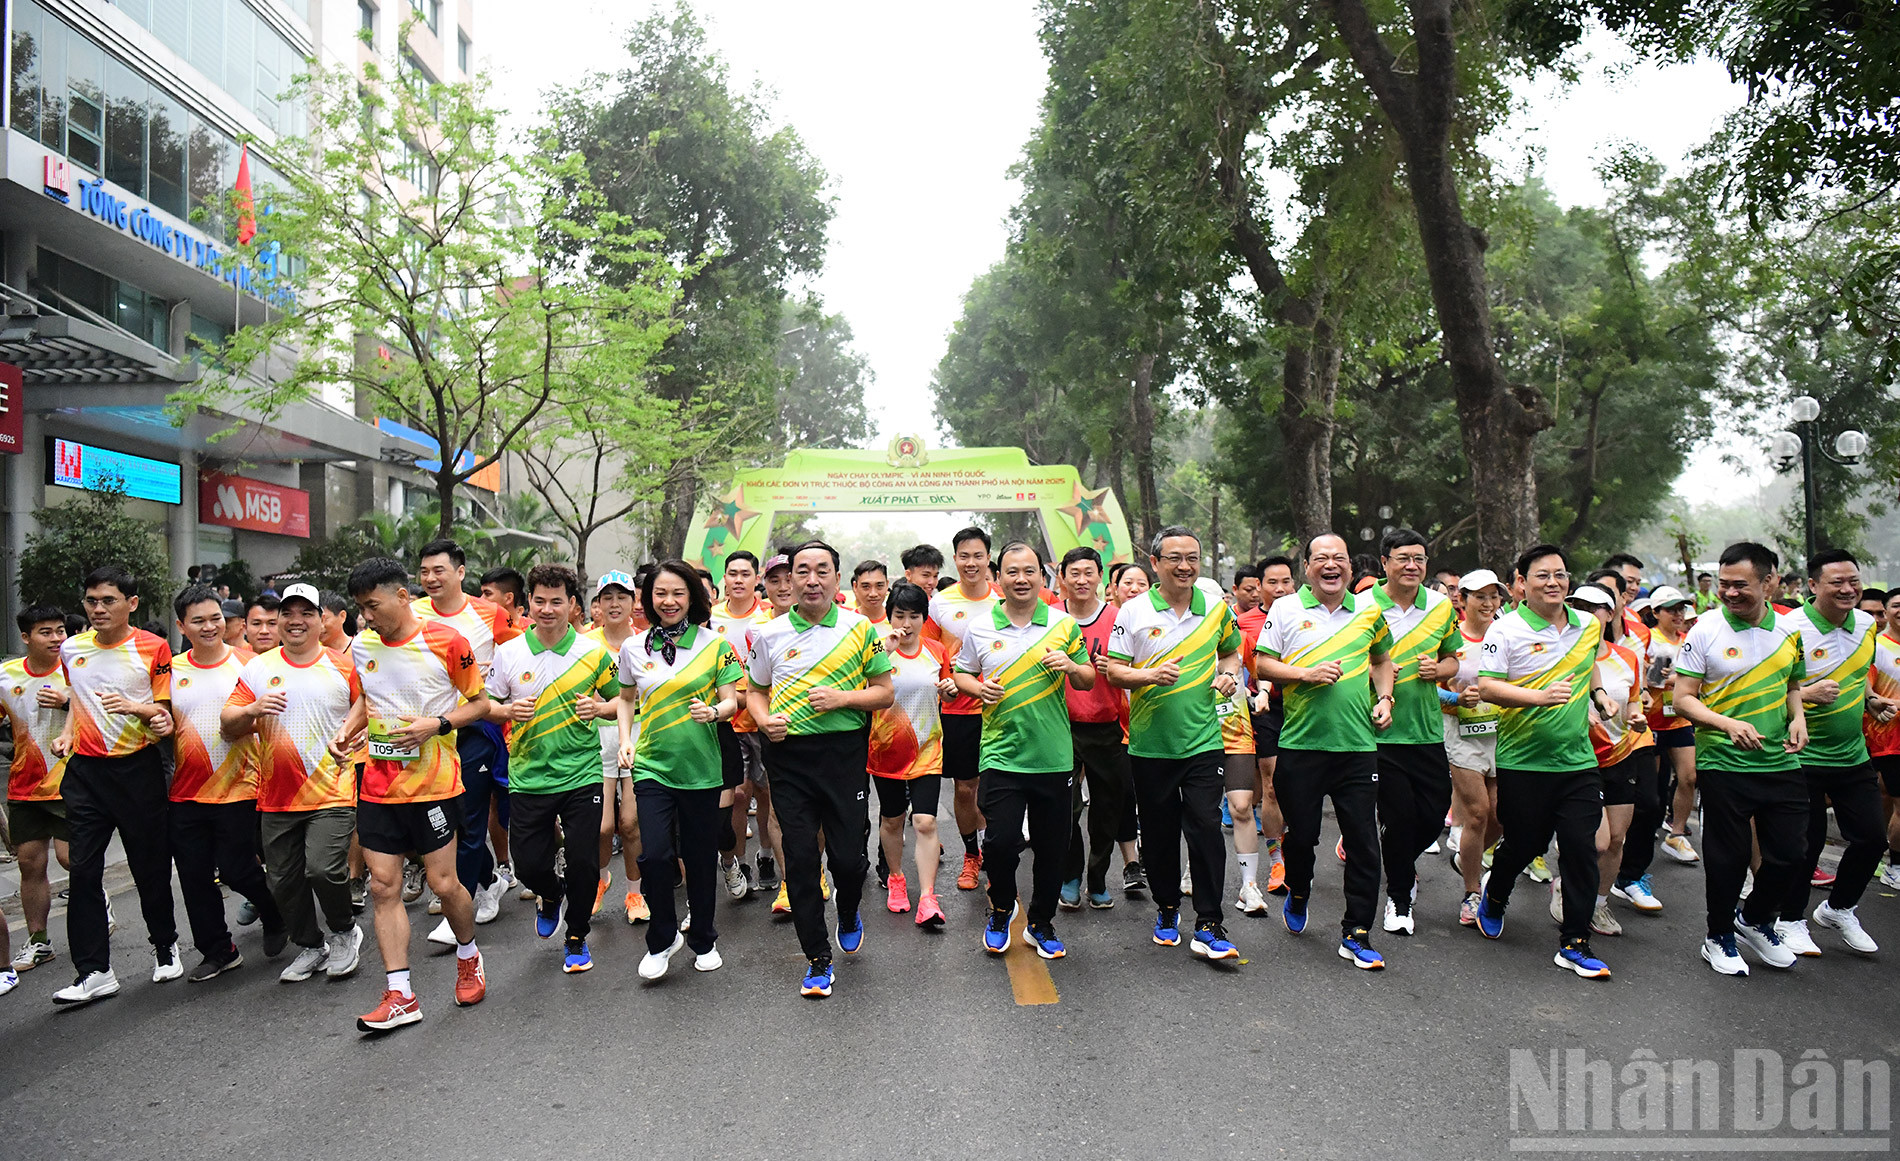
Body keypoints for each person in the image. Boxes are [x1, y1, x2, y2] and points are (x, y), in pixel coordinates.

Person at [345, 557, 491, 1031]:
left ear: (402, 596)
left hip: (433, 783)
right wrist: (348, 730)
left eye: (373, 606)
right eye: (361, 608)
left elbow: (481, 704)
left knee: (443, 884)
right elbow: (366, 698)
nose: (367, 617)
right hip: (377, 782)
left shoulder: (445, 641)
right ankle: (401, 994)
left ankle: (468, 954)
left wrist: (437, 724)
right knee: (382, 886)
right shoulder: (362, 644)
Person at [745, 541, 894, 998]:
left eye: (821, 571)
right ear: (789, 580)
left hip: (843, 755)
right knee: (803, 859)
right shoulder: (769, 635)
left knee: (849, 860)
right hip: (788, 757)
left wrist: (843, 699)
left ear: (836, 578)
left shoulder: (859, 629)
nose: (811, 580)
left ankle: (848, 910)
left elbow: (884, 692)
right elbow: (755, 690)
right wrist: (763, 718)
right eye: (802, 571)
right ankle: (817, 958)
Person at [1471, 547, 1616, 979]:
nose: (1553, 582)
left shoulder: (1588, 625)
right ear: (1521, 582)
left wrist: (1599, 694)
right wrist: (1538, 697)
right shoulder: (1507, 630)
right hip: (1523, 761)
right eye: (1542, 576)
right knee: (1525, 843)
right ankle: (1495, 894)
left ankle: (1574, 942)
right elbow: (1488, 687)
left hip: (1577, 763)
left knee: (1581, 847)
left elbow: (1588, 665)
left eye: (1560, 574)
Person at [1255, 534, 1394, 969]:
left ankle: (1356, 931)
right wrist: (1305, 674)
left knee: (1364, 844)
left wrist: (1385, 697)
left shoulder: (1370, 610)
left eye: (1339, 559)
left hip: (1358, 749)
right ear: (1308, 568)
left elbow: (1383, 659)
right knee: (1304, 839)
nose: (1331, 565)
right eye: (1321, 559)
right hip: (1301, 747)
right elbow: (1262, 664)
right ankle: (1298, 889)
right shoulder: (1286, 608)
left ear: (1350, 568)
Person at [1669, 541, 1808, 977]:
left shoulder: (1789, 631)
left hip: (1780, 762)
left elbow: (1791, 686)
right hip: (1723, 760)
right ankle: (1718, 936)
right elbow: (1681, 700)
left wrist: (1798, 716)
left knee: (1791, 855)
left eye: (1740, 585)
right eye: (1724, 584)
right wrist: (1727, 724)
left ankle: (1752, 919)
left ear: (1769, 582)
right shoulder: (1705, 630)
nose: (1729, 593)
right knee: (1727, 857)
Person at [1107, 526, 1244, 962]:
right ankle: (1167, 908)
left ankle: (1209, 920)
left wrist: (1228, 674)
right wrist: (1149, 675)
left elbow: (1231, 652)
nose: (1184, 566)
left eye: (1191, 558)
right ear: (1155, 562)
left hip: (1204, 741)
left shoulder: (1216, 610)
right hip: (1150, 746)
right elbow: (1114, 671)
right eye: (1174, 558)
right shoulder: (1133, 612)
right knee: (1161, 831)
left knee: (1205, 825)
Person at [954, 543, 1093, 960]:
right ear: (999, 577)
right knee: (999, 843)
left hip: (1053, 756)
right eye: (1012, 572)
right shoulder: (980, 627)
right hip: (1001, 753)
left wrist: (1071, 667)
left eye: (1029, 571)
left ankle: (1041, 923)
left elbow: (1087, 678)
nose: (1021, 579)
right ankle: (1000, 910)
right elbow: (961, 673)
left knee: (1054, 847)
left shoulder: (1064, 625)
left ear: (1042, 577)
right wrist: (979, 688)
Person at [50, 567, 179, 1006]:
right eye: (91, 601)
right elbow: (77, 701)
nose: (98, 609)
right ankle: (94, 971)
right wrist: (68, 732)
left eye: (108, 600)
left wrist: (135, 708)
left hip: (137, 769)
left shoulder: (153, 648)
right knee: (83, 869)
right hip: (85, 774)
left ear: (132, 603)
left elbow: (163, 717)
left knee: (149, 866)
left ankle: (165, 946)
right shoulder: (72, 648)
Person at [223, 583, 364, 984]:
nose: (296, 621)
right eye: (288, 613)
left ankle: (342, 932)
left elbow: (367, 706)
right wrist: (251, 708)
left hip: (331, 787)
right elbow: (228, 723)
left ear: (322, 620)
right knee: (282, 880)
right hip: (276, 794)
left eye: (306, 613)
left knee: (322, 869)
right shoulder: (258, 667)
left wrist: (350, 736)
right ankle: (310, 945)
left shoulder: (343, 665)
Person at [487, 565, 620, 975]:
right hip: (528, 776)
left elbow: (623, 702)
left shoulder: (593, 653)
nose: (547, 609)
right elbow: (485, 705)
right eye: (540, 601)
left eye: (556, 601)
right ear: (528, 605)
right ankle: (549, 894)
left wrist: (599, 708)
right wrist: (507, 710)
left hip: (581, 772)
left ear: (573, 605)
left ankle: (576, 936)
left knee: (584, 861)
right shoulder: (509, 652)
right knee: (527, 865)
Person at [1777, 549, 1892, 955]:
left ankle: (1839, 908)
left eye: (1853, 582)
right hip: (1801, 755)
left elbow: (1856, 675)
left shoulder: (1865, 623)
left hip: (1853, 755)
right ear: (1812, 586)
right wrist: (1805, 693)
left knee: (1871, 839)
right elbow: (1764, 689)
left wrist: (1871, 700)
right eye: (1837, 583)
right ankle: (1790, 919)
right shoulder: (1787, 628)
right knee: (1803, 846)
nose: (1848, 590)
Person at [167, 585, 284, 981]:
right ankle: (218, 950)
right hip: (186, 790)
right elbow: (159, 720)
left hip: (242, 785)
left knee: (237, 870)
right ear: (182, 626)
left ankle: (273, 914)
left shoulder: (251, 664)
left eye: (215, 618)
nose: (209, 626)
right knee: (195, 875)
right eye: (198, 620)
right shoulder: (172, 670)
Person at [412, 538, 521, 943]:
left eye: (438, 570)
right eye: (424, 572)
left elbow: (520, 655)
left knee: (472, 816)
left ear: (459, 573)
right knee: (447, 820)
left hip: (475, 727)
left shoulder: (489, 613)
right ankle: (489, 878)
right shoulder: (412, 614)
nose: (430, 579)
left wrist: (498, 680)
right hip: (425, 734)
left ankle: (465, 900)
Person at [1367, 530, 1461, 936]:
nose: (1412, 566)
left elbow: (1454, 659)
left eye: (1419, 559)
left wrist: (1437, 670)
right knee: (1399, 816)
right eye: (1403, 558)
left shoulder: (1440, 607)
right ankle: (1399, 899)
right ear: (1385, 561)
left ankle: (1400, 860)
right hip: (1379, 732)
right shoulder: (1364, 605)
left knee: (1433, 812)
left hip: (1427, 731)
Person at [1565, 583, 1655, 940]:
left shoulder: (1626, 656)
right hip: (1577, 756)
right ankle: (1568, 888)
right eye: (1578, 605)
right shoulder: (1564, 652)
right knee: (1596, 841)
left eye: (1594, 607)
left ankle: (1599, 902)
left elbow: (1635, 699)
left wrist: (1636, 715)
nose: (1586, 613)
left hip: (1620, 753)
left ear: (1610, 614)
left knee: (1617, 839)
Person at [1056, 547, 1142, 909]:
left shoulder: (1119, 618)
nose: (1081, 580)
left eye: (1088, 573)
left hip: (1109, 726)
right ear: (1061, 577)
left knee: (1108, 809)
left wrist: (1118, 669)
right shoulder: (1049, 618)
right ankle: (1071, 875)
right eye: (1074, 573)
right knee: (1066, 808)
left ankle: (1098, 877)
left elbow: (1140, 666)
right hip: (1061, 727)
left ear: (1101, 578)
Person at [868, 582, 955, 926]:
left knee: (925, 821)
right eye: (899, 615)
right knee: (892, 819)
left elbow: (946, 692)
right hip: (886, 750)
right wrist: (884, 652)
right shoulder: (875, 648)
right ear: (889, 616)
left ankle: (929, 897)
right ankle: (896, 879)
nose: (906, 623)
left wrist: (949, 691)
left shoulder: (936, 650)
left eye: (914, 616)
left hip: (928, 750)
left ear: (924, 618)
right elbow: (860, 688)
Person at [1613, 585, 1697, 911]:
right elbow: (1646, 681)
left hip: (1679, 720)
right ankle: (1611, 863)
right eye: (1671, 609)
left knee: (1687, 778)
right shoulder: (1645, 638)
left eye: (1681, 609)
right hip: (1647, 722)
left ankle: (1673, 836)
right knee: (1652, 795)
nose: (1678, 615)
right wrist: (1663, 682)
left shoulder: (1690, 640)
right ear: (1657, 612)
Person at [927, 527, 1000, 892]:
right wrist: (946, 680)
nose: (971, 563)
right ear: (955, 558)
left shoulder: (1003, 601)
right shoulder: (940, 602)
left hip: (1001, 708)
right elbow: (926, 651)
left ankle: (995, 851)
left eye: (978, 556)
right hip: (958, 710)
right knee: (965, 788)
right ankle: (972, 856)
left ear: (989, 557)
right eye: (964, 556)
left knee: (998, 787)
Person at [4, 606, 72, 976]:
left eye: (60, 630)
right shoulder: (5, 676)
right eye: (46, 632)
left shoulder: (75, 671)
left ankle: (96, 899)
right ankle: (39, 941)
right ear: (27, 638)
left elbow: (101, 714)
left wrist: (66, 701)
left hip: (70, 782)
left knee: (70, 859)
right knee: (30, 864)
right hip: (24, 786)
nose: (57, 638)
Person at [710, 551, 777, 903]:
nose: (738, 580)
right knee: (737, 795)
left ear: (756, 579)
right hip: (725, 722)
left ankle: (766, 854)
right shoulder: (710, 619)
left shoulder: (767, 619)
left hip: (762, 719)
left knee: (765, 792)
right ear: (724, 578)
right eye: (732, 573)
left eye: (745, 574)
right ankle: (738, 862)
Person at [582, 571, 646, 922]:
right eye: (608, 597)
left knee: (631, 822)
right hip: (596, 741)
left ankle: (635, 894)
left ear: (634, 602)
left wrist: (604, 706)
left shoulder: (646, 642)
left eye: (622, 597)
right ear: (598, 604)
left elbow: (645, 699)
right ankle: (601, 878)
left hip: (638, 737)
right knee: (603, 826)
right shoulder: (584, 644)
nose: (615, 604)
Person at [1442, 570, 1505, 926]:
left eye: (1493, 596)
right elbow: (1428, 690)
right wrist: (1456, 697)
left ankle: (1469, 855)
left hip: (1504, 734)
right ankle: (1472, 892)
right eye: (1479, 596)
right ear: (1462, 600)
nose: (1488, 603)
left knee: (1501, 815)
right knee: (1478, 813)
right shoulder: (1451, 638)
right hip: (1461, 735)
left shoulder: (1509, 634)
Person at [1251, 556, 1298, 892]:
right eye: (1272, 582)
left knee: (1302, 787)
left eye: (1286, 581)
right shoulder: (1244, 623)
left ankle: (1299, 849)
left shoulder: (1309, 616)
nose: (1280, 589)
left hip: (1307, 708)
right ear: (1259, 587)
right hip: (1266, 710)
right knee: (1271, 786)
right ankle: (1277, 860)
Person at [1870, 588, 1900, 889]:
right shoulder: (1877, 646)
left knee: (1889, 799)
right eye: (1896, 605)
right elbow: (1867, 694)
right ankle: (1893, 864)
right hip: (1885, 738)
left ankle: (1880, 852)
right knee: (1889, 798)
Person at [851, 560, 891, 627]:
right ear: (855, 587)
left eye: (879, 586)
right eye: (866, 586)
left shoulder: (896, 622)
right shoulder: (846, 624)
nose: (873, 594)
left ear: (887, 585)